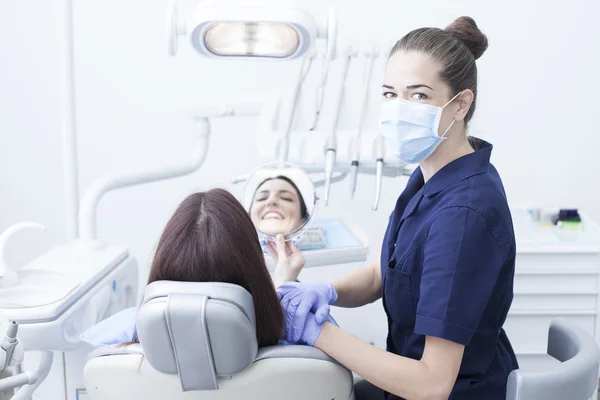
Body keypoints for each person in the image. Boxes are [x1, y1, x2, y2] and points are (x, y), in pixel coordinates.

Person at [277, 16, 519, 400]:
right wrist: (325, 292)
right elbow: (384, 271)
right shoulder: (431, 176)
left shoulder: (463, 214)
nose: (399, 108)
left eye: (419, 95)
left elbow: (432, 383)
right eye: (391, 94)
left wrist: (317, 332)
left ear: (461, 104)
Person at [81, 188, 307, 349]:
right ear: (254, 270)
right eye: (263, 196)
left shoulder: (123, 333)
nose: (271, 203)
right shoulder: (300, 333)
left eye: (285, 196)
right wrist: (281, 292)